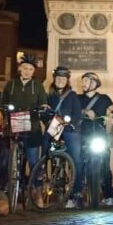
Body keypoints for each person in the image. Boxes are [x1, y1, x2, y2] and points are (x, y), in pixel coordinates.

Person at [2, 54, 48, 187]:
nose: (27, 71)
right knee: (8, 156)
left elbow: (43, 102)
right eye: (25, 68)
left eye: (30, 69)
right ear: (20, 69)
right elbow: (3, 101)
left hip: (32, 125)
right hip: (14, 123)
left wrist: (43, 107)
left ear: (33, 72)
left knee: (33, 160)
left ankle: (37, 189)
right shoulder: (11, 84)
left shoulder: (38, 85)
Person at [43, 66, 83, 208]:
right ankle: (43, 173)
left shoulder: (72, 95)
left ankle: (77, 193)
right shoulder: (49, 95)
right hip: (55, 128)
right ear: (54, 79)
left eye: (63, 78)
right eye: (58, 78)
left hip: (69, 129)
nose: (61, 81)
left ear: (67, 80)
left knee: (76, 160)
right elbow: (44, 114)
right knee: (45, 145)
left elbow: (78, 114)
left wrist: (72, 123)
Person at [78, 72, 113, 206]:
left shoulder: (104, 98)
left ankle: (108, 194)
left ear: (94, 83)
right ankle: (76, 193)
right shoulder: (78, 98)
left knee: (105, 163)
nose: (83, 83)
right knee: (78, 162)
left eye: (86, 81)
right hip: (82, 134)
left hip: (99, 134)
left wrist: (112, 117)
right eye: (82, 81)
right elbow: (72, 111)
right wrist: (84, 112)